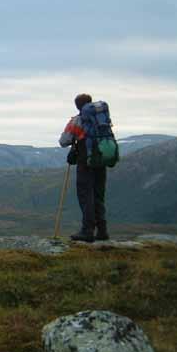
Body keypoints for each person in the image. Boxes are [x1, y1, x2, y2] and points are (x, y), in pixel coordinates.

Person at [59, 94, 109, 242]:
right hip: (101, 160)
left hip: (85, 161)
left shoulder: (77, 120)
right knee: (98, 195)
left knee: (86, 195)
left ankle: (87, 231)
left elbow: (64, 141)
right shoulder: (102, 118)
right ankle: (102, 231)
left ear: (77, 106)